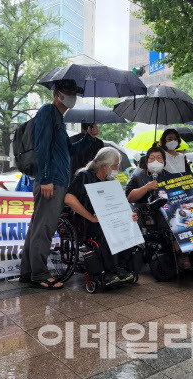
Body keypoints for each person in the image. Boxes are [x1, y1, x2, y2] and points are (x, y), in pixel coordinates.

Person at [20, 79, 97, 289]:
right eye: (68, 91)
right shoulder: (48, 112)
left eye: (74, 91)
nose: (72, 95)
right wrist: (45, 179)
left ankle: (28, 272)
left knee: (38, 227)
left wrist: (88, 138)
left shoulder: (59, 120)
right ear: (57, 93)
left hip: (57, 181)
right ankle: (39, 274)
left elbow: (69, 152)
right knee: (44, 228)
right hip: (51, 182)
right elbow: (41, 147)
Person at [65, 147, 136, 284]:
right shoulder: (85, 176)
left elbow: (120, 204)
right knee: (107, 229)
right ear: (105, 166)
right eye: (115, 165)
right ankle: (110, 269)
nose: (116, 168)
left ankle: (122, 266)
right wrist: (91, 217)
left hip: (107, 219)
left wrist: (130, 215)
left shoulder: (110, 181)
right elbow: (69, 199)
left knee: (128, 225)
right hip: (86, 221)